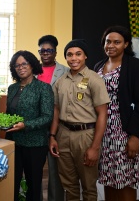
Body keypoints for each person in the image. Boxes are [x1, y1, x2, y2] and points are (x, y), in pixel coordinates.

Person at [49, 39, 110, 201]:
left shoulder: (94, 79)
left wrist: (95, 148)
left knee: (89, 186)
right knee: (69, 185)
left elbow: (103, 114)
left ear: (85, 57)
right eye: (69, 55)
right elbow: (56, 110)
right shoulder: (61, 81)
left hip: (86, 136)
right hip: (63, 135)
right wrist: (52, 136)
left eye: (78, 54)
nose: (73, 58)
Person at [94, 25, 139, 201]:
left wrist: (135, 136)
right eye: (108, 41)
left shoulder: (135, 65)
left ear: (125, 44)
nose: (111, 45)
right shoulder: (99, 65)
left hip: (124, 129)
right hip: (103, 129)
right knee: (109, 179)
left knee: (125, 181)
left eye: (116, 42)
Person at [6, 50, 54, 201]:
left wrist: (25, 125)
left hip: (35, 144)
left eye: (24, 64)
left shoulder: (43, 88)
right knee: (11, 182)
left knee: (33, 185)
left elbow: (47, 117)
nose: (20, 67)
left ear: (32, 65)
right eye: (16, 65)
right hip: (14, 143)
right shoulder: (12, 88)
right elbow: (9, 114)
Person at [37, 35, 69, 201]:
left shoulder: (65, 71)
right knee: (34, 168)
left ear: (55, 52)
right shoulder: (33, 70)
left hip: (57, 127)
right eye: (42, 50)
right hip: (36, 127)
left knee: (55, 170)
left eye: (49, 50)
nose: (46, 53)